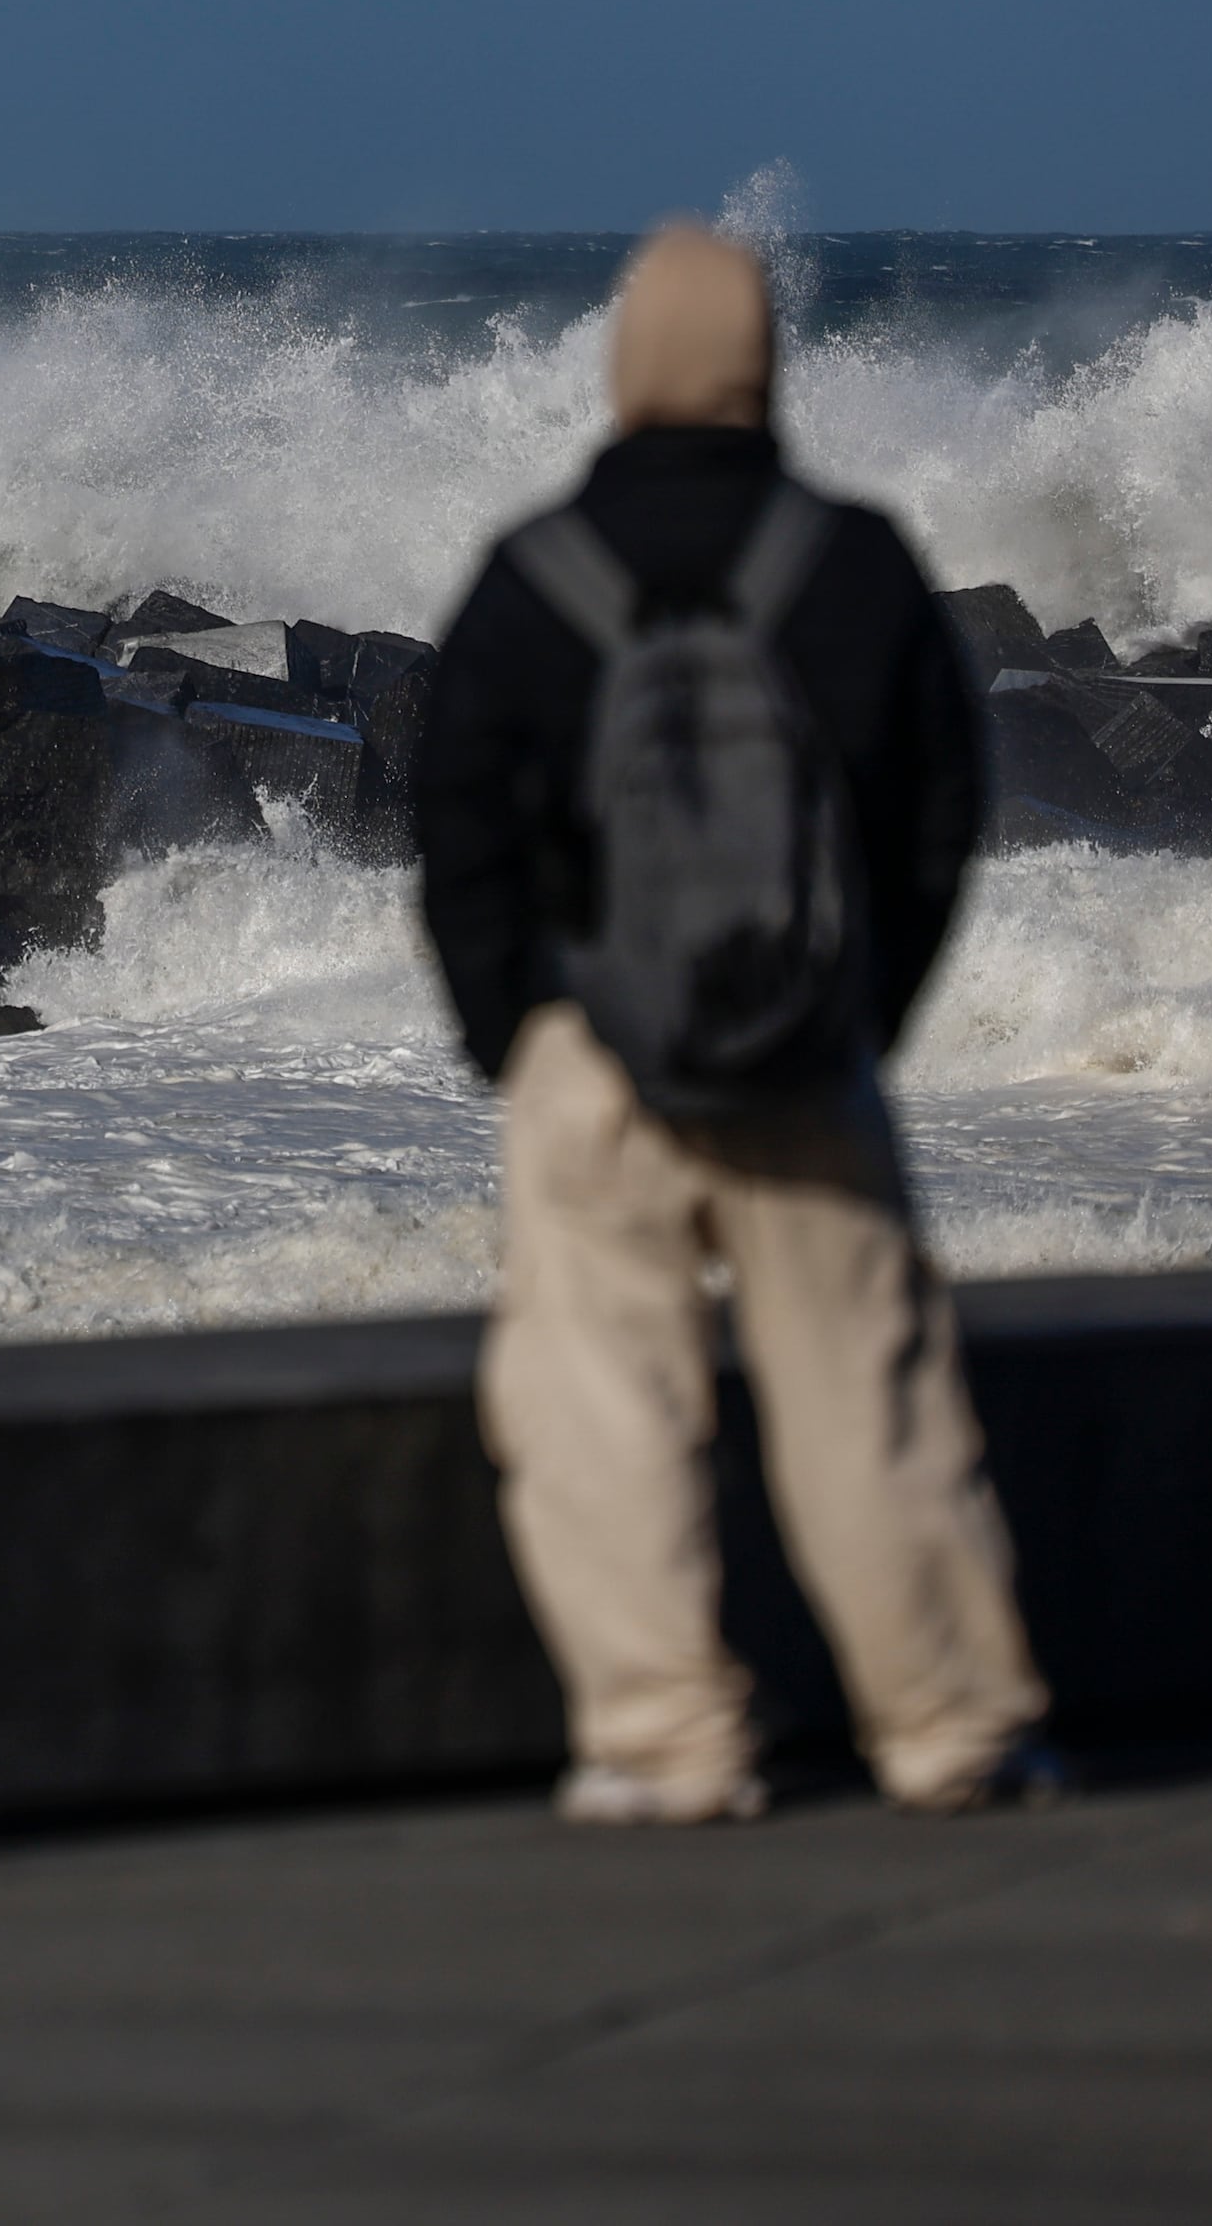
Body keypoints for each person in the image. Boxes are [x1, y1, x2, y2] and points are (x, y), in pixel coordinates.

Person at [415, 221, 1064, 1825]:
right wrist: (861, 1012)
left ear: (627, 365)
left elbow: (460, 829)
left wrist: (523, 1031)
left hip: (596, 1053)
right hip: (803, 1054)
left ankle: (664, 1739)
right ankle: (951, 1728)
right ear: (766, 368)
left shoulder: (533, 574)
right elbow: (936, 812)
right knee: (870, 1399)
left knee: (598, 1399)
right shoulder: (852, 563)